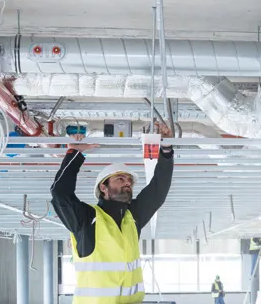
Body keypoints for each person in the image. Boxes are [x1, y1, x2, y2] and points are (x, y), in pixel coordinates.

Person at [51, 122, 175, 303]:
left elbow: (158, 191)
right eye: (120, 179)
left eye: (129, 181)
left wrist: (166, 149)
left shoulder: (132, 218)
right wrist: (74, 154)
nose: (127, 183)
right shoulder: (87, 219)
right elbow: (60, 194)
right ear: (104, 188)